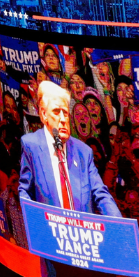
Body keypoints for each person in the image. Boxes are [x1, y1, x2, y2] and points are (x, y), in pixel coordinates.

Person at [18, 80, 121, 216]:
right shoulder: (31, 145)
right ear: (43, 115)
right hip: (49, 232)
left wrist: (118, 226)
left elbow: (101, 194)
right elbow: (24, 192)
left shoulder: (84, 152)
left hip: (82, 232)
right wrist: (37, 226)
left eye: (65, 113)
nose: (62, 119)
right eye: (56, 112)